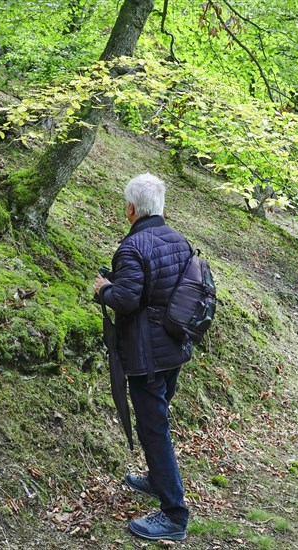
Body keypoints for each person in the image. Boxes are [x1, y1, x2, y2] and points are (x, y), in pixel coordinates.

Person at [93, 173, 192, 541]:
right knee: (157, 420)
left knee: (153, 428)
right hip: (174, 350)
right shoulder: (180, 241)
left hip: (147, 356)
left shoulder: (132, 247)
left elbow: (126, 300)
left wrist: (105, 289)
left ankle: (174, 515)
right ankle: (156, 478)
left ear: (132, 208)